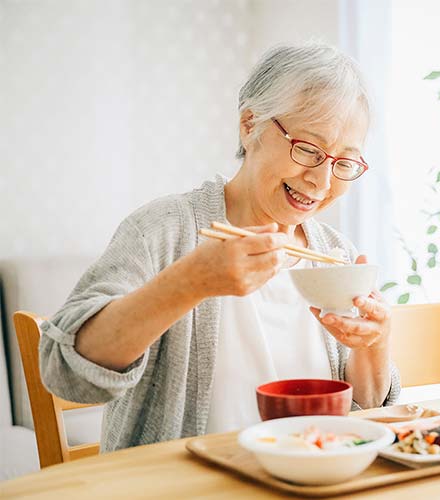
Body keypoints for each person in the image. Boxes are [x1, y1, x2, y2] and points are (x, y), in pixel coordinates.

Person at [39, 43, 400, 452]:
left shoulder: (337, 257)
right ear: (250, 125)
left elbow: (364, 412)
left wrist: (374, 343)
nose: (321, 181)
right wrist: (190, 283)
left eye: (344, 163)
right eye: (308, 150)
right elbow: (64, 371)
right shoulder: (163, 230)